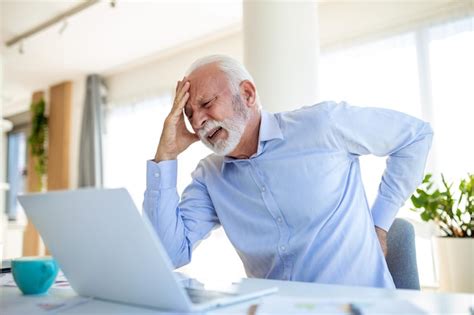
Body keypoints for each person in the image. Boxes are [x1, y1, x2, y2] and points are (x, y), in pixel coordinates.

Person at [143, 55, 433, 288]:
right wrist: (165, 155)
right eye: (190, 115)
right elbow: (168, 253)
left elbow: (415, 136)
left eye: (206, 104)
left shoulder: (322, 125)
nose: (199, 122)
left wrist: (380, 224)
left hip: (361, 308)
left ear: (247, 94)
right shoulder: (209, 177)